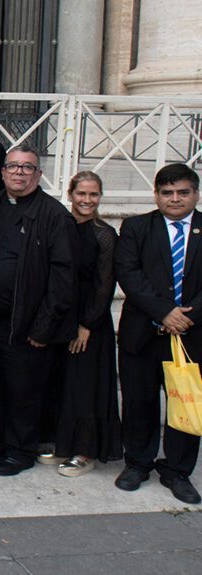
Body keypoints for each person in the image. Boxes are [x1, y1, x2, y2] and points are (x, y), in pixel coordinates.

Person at [0, 145, 77, 476]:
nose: (19, 172)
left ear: (38, 174)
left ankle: (21, 449)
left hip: (27, 324)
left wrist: (44, 327)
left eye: (27, 167)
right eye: (13, 166)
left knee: (23, 390)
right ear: (2, 172)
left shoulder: (55, 215)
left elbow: (63, 278)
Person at [114, 163, 201, 503]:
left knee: (185, 403)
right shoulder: (137, 227)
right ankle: (137, 463)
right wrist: (164, 312)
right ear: (156, 195)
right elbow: (128, 272)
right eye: (167, 193)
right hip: (143, 333)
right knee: (139, 401)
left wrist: (185, 317)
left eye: (182, 192)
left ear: (194, 193)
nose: (174, 199)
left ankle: (178, 470)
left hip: (192, 336)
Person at [54, 171, 120, 477]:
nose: (87, 200)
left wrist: (86, 324)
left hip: (89, 321)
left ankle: (85, 451)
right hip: (61, 315)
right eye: (81, 194)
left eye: (94, 195)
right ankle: (63, 444)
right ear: (70, 194)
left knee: (85, 386)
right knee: (63, 384)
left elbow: (104, 286)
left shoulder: (104, 234)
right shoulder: (60, 225)